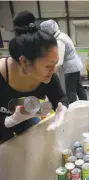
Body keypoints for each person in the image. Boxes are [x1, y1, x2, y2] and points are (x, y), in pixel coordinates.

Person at [0, 11, 68, 143]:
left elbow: (60, 99)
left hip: (26, 117)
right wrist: (11, 120)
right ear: (24, 62)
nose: (53, 70)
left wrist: (62, 110)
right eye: (48, 66)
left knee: (34, 145)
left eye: (55, 63)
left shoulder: (48, 76)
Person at [40, 20, 88, 104]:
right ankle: (86, 103)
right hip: (75, 65)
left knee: (70, 91)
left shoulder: (59, 41)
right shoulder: (62, 35)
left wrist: (50, 69)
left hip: (70, 68)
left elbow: (59, 60)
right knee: (79, 88)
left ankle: (71, 109)